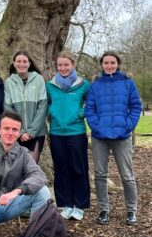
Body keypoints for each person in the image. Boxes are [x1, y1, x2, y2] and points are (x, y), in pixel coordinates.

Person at [85, 51, 142, 225]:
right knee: (100, 174)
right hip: (99, 137)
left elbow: (135, 106)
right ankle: (103, 210)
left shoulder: (128, 83)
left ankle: (131, 211)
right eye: (106, 63)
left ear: (118, 64)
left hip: (122, 136)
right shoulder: (95, 85)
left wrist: (127, 126)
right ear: (101, 64)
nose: (109, 65)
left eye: (112, 62)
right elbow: (90, 109)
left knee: (127, 175)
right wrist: (97, 126)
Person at [46, 51, 90, 221]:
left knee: (78, 168)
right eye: (60, 65)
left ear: (73, 65)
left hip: (76, 132)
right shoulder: (50, 85)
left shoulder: (83, 85)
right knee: (61, 168)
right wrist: (52, 111)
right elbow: (47, 103)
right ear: (56, 67)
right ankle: (65, 204)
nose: (63, 68)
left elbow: (90, 104)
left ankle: (79, 205)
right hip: (56, 132)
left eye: (66, 65)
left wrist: (81, 113)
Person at [4, 51, 47, 163]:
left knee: (31, 167)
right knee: (15, 168)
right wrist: (20, 131)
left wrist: (31, 132)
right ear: (14, 63)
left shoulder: (39, 79)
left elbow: (42, 107)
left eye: (24, 61)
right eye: (18, 61)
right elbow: (8, 109)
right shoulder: (9, 82)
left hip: (37, 133)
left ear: (29, 63)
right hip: (16, 133)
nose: (21, 64)